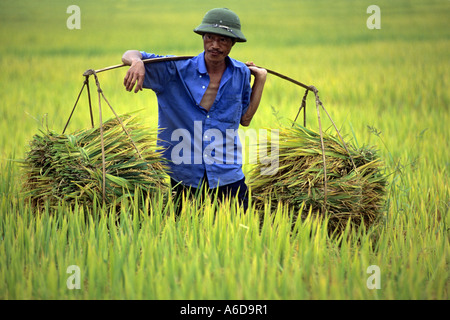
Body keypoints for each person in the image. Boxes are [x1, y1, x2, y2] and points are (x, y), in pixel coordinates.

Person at [122, 8, 267, 213]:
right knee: (186, 235)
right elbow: (130, 54)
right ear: (203, 37)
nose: (214, 45)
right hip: (185, 175)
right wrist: (137, 62)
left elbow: (245, 119)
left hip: (227, 172)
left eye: (223, 40)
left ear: (233, 43)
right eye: (209, 37)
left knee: (239, 229)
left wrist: (260, 79)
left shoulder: (241, 73)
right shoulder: (174, 69)